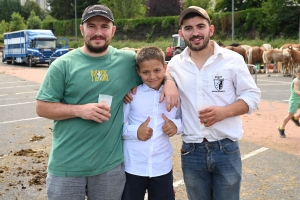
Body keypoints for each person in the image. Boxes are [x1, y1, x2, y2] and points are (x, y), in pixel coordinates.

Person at [35, 4, 178, 200]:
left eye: (104, 26)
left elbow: (154, 64)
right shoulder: (63, 64)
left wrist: (169, 81)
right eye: (91, 26)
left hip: (109, 168)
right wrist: (80, 110)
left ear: (113, 30)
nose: (98, 32)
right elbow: (42, 107)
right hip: (66, 167)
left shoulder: (127, 61)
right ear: (82, 29)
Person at [166, 6, 261, 200]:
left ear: (211, 29)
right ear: (181, 34)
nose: (195, 33)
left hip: (226, 148)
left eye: (200, 26)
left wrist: (225, 112)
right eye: (189, 28)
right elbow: (152, 73)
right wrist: (168, 79)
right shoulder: (175, 64)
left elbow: (252, 96)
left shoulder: (232, 60)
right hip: (191, 150)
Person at [121, 46, 183, 200]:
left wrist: (176, 126)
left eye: (157, 70)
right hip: (133, 167)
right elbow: (117, 127)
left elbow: (185, 120)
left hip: (161, 167)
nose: (152, 77)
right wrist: (136, 132)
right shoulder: (131, 95)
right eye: (145, 72)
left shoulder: (174, 94)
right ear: (138, 71)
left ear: (165, 67)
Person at [278, 66, 300, 138]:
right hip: (295, 100)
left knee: (292, 116)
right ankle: (281, 127)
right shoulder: (296, 81)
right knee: (290, 115)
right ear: (298, 74)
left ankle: (296, 118)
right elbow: (296, 91)